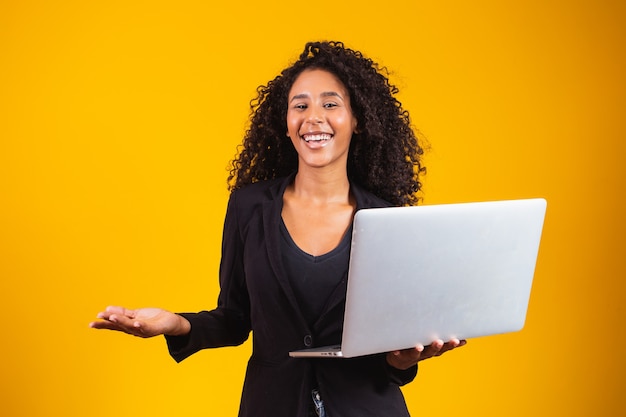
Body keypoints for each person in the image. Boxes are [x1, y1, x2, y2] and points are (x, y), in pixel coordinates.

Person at [90, 41, 466, 417]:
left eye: (330, 104)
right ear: (285, 123)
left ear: (358, 120)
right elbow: (235, 320)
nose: (313, 117)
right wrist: (176, 324)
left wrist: (402, 361)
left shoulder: (388, 219)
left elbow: (390, 346)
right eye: (300, 105)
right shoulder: (249, 208)